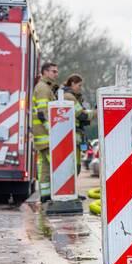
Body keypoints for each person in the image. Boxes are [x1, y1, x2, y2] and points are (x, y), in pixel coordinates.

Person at [32, 61, 60, 202]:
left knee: (45, 167)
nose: (56, 74)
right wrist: (54, 131)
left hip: (42, 135)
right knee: (58, 164)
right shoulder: (43, 88)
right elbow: (43, 114)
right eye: (53, 71)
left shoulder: (45, 87)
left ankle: (45, 195)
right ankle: (62, 195)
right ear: (45, 72)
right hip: (46, 135)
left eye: (56, 71)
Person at [61, 74, 94, 172]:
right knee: (75, 168)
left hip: (76, 136)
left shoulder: (71, 96)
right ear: (72, 83)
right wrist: (94, 113)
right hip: (72, 136)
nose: (80, 88)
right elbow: (81, 115)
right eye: (79, 85)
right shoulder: (69, 97)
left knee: (77, 166)